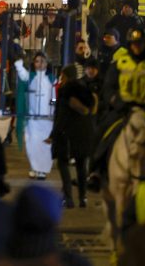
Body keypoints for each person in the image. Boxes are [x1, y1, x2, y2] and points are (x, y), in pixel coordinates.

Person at [48, 65, 95, 208]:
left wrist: (53, 134)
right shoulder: (85, 90)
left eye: (62, 76)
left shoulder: (66, 91)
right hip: (84, 132)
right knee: (81, 165)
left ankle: (68, 198)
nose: (61, 79)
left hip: (67, 134)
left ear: (66, 76)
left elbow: (61, 116)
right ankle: (83, 198)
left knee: (62, 163)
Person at [14, 52, 56, 179]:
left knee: (45, 145)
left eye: (42, 61)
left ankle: (42, 170)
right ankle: (35, 167)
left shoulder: (52, 79)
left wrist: (52, 109)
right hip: (32, 118)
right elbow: (22, 75)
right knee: (32, 143)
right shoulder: (30, 76)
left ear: (47, 64)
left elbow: (54, 97)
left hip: (47, 119)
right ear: (34, 63)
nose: (40, 63)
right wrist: (19, 65)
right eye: (37, 61)